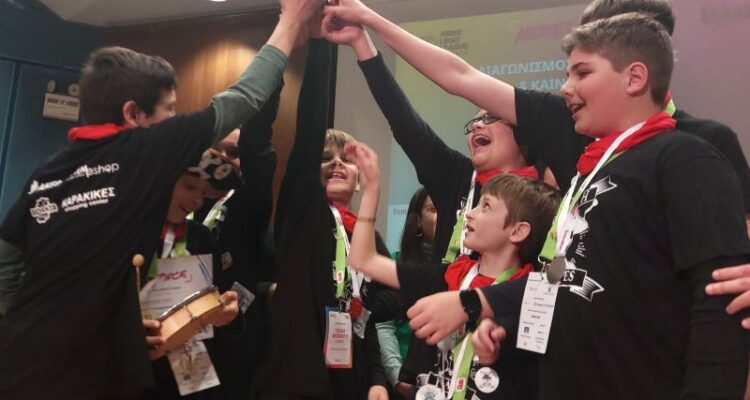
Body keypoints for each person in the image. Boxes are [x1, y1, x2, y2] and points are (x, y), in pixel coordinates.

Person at [407, 13, 750, 399]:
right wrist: (497, 314)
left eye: (582, 73)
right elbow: (572, 282)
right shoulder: (591, 176)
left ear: (635, 78)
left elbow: (720, 300)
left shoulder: (685, 158)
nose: (566, 88)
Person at [0, 0, 322, 397]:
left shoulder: (46, 175)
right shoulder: (147, 149)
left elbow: (6, 264)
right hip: (81, 377)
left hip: (19, 361)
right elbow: (244, 97)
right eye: (168, 110)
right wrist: (291, 21)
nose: (173, 119)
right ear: (133, 114)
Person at [344, 141, 558, 400]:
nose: (470, 214)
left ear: (518, 231)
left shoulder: (532, 296)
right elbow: (363, 259)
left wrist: (499, 342)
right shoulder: (451, 276)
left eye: (486, 207)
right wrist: (372, 190)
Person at [251, 37, 388, 400]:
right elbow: (310, 127)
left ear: (359, 180)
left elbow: (369, 310)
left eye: (346, 159)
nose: (337, 164)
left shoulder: (366, 236)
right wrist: (320, 44)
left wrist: (376, 377)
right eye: (326, 158)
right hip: (294, 381)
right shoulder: (303, 214)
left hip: (350, 379)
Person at [376, 187, 435, 398]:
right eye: (433, 209)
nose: (444, 215)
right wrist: (398, 378)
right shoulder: (394, 264)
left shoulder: (465, 267)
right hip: (404, 381)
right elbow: (384, 324)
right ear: (417, 220)